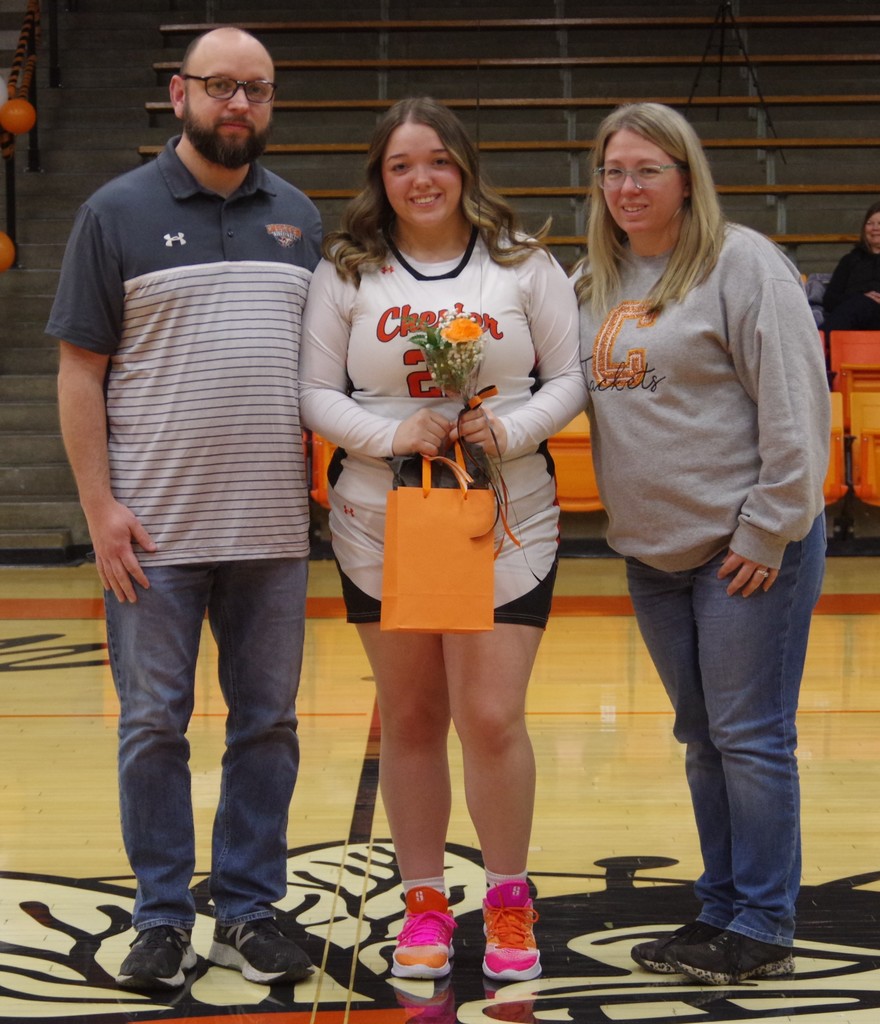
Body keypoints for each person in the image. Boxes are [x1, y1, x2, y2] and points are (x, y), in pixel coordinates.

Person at [47, 27, 322, 992]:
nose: (237, 104)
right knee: (153, 725)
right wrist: (99, 508)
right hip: (151, 535)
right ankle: (162, 916)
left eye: (256, 89)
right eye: (219, 87)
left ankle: (248, 907)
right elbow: (80, 374)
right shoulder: (112, 213)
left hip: (273, 533)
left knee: (268, 727)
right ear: (179, 93)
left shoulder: (300, 219)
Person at [299, 96, 585, 983]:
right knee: (414, 719)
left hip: (504, 514)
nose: (420, 179)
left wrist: (513, 429)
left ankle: (507, 898)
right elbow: (313, 393)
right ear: (378, 179)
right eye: (400, 165)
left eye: (437, 162)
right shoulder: (346, 270)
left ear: (464, 167)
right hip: (381, 520)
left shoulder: (523, 264)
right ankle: (424, 903)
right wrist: (392, 436)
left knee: (491, 717)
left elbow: (571, 377)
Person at [574, 102, 829, 986]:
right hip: (654, 553)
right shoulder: (597, 276)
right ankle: (719, 907)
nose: (628, 187)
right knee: (701, 737)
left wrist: (768, 526)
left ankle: (764, 924)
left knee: (750, 736)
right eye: (614, 172)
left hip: (745, 546)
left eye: (648, 169)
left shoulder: (743, 263)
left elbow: (798, 411)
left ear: (687, 176)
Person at [821, 199, 880, 334]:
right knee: (860, 304)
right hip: (851, 318)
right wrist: (860, 298)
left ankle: (815, 347)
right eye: (870, 223)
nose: (875, 228)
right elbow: (829, 300)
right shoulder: (849, 260)